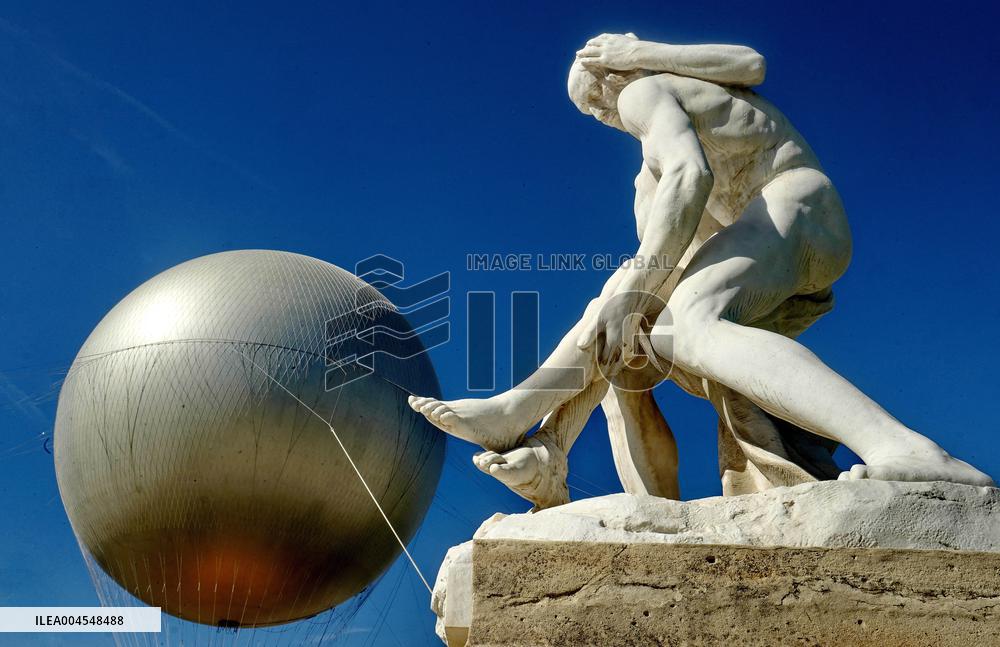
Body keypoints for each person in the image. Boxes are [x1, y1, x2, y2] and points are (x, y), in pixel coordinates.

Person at [409, 33, 994, 507]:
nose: (603, 116)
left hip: (795, 205)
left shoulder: (651, 91)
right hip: (776, 237)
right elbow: (638, 290)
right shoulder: (648, 175)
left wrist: (638, 56)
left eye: (595, 105)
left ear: (609, 87)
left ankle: (907, 449)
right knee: (628, 325)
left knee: (684, 320)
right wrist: (620, 311)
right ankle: (553, 448)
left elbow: (710, 146)